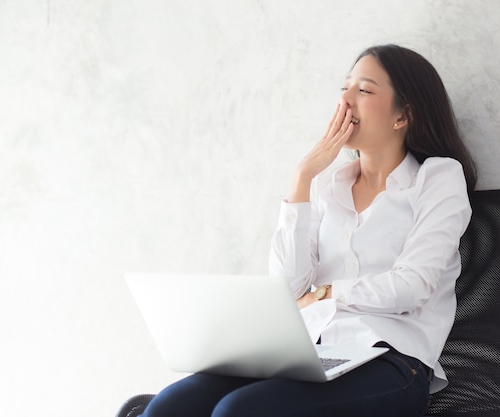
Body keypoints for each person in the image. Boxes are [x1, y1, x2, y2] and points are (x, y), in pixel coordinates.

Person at [139, 44, 477, 417]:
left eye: (363, 91)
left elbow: (411, 287)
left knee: (239, 411)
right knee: (168, 407)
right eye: (344, 88)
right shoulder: (327, 184)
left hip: (391, 362)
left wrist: (324, 293)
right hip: (307, 352)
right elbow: (287, 289)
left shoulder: (438, 178)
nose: (344, 100)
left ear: (403, 116)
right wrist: (302, 179)